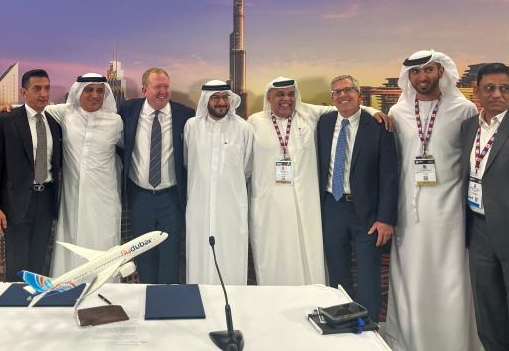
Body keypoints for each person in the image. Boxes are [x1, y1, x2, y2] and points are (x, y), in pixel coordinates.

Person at [248, 76, 388, 285]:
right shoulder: (254, 122)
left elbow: (344, 109)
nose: (286, 99)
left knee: (309, 256)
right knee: (273, 256)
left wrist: (372, 110)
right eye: (280, 94)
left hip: (306, 208)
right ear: (269, 97)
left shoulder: (308, 114)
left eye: (290, 94)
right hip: (270, 208)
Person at [385, 50, 481, 351]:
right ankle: (410, 340)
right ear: (408, 77)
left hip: (449, 211)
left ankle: (451, 341)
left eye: (428, 70)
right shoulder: (397, 113)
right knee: (411, 275)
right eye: (415, 72)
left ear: (441, 71)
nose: (422, 77)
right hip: (408, 211)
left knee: (449, 276)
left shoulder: (463, 110)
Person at [317, 75, 398, 321]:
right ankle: (340, 322)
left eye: (348, 90)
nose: (343, 95)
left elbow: (390, 175)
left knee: (368, 274)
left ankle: (367, 329)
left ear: (359, 94)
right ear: (332, 99)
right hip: (332, 206)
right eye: (337, 92)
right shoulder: (324, 123)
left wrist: (386, 218)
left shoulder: (379, 126)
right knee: (338, 271)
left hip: (367, 213)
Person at [0, 69, 62, 281]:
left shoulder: (54, 124)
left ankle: (37, 305)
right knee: (17, 264)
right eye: (37, 88)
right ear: (23, 91)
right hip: (15, 203)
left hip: (46, 200)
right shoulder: (5, 121)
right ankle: (16, 307)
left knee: (39, 261)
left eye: (47, 88)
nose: (43, 93)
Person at [118, 68, 194, 284]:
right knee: (143, 252)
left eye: (166, 86)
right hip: (140, 196)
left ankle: (166, 302)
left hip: (171, 197)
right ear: (144, 89)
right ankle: (146, 296)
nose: (163, 91)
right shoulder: (127, 111)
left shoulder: (185, 115)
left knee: (170, 253)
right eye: (157, 87)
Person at [45, 73, 123, 276]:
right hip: (73, 197)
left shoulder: (116, 121)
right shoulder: (64, 113)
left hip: (104, 198)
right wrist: (7, 108)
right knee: (72, 244)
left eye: (100, 90)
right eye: (88, 89)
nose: (94, 95)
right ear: (78, 91)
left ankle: (104, 292)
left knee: (103, 243)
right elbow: (33, 110)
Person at [460, 63, 509, 351]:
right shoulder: (469, 127)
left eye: (504, 89)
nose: (497, 95)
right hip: (478, 229)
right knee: (488, 309)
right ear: (477, 91)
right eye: (489, 88)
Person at [184, 80, 253, 285]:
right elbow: (188, 161)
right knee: (199, 255)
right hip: (199, 206)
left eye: (225, 97)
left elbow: (247, 167)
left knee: (231, 255)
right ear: (206, 100)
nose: (221, 102)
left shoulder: (244, 129)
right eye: (215, 98)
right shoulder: (192, 126)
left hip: (231, 207)